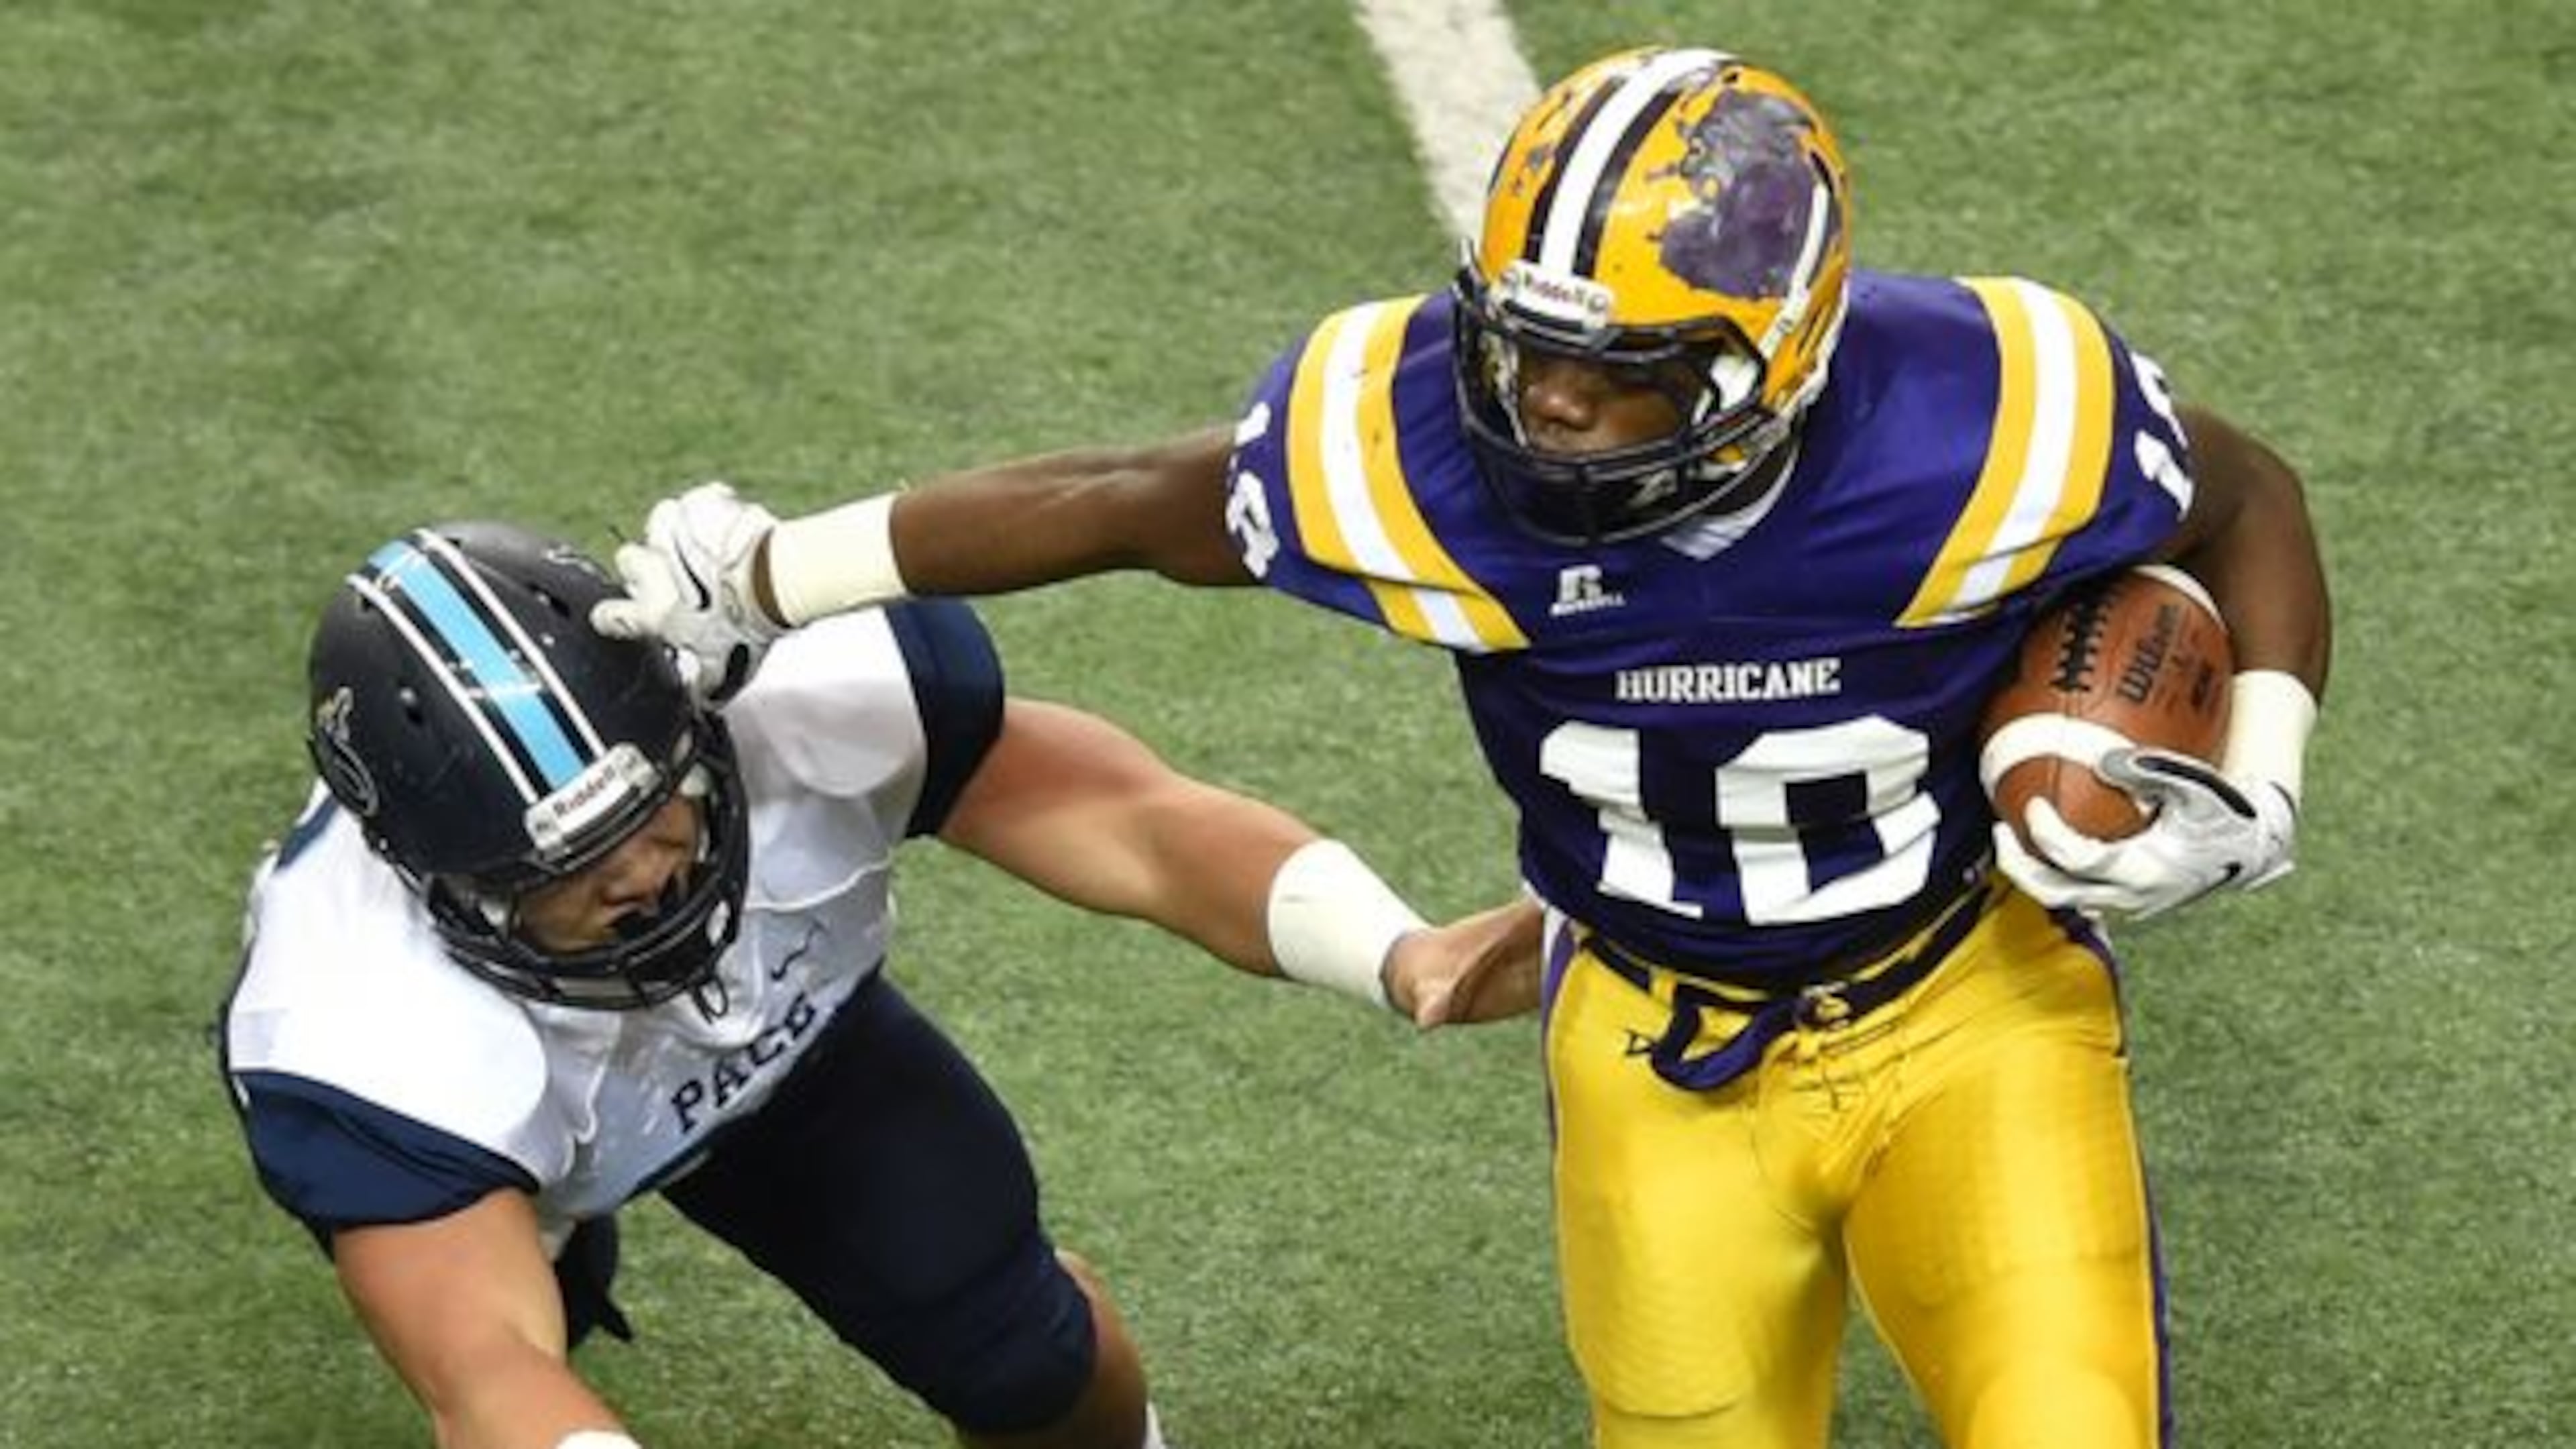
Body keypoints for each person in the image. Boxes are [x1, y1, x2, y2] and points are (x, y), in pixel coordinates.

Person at [595, 45, 2332, 1449]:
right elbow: (1116, 502)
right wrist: (767, 573)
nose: (1545, 410)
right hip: (1658, 1042)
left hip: (1973, 1000)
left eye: (1620, 378)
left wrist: (2259, 760)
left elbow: (2250, 501)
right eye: (1520, 350)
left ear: (1778, 360)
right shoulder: (1412, 448)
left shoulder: (1997, 409)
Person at [219, 520, 1536, 1449]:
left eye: (658, 815)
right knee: (532, 1328)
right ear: (439, 883)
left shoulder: (799, 695)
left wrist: (1394, 949)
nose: (643, 882)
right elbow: (489, 1380)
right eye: (566, 872)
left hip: (792, 1032)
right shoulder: (362, 1027)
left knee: (1019, 1347)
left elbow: (1137, 821)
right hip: (521, 1115)